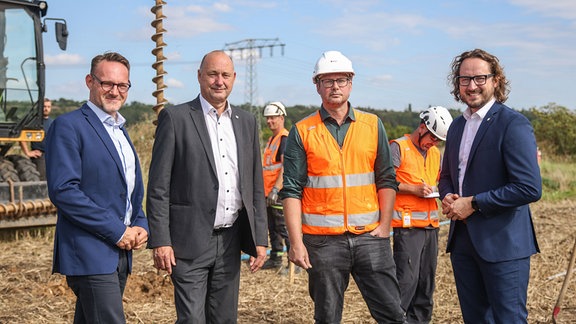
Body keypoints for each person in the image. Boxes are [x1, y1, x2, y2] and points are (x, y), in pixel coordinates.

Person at [280, 50, 406, 323]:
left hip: (371, 239)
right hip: (323, 243)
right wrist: (296, 243)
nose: (335, 86)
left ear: (350, 83)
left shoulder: (373, 125)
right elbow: (291, 190)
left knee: (393, 314)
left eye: (341, 80)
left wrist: (384, 226)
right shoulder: (302, 131)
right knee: (327, 317)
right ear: (317, 85)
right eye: (328, 80)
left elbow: (386, 178)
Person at [146, 50, 268, 323]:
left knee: (224, 318)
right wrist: (161, 240)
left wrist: (260, 238)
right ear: (200, 76)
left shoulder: (247, 122)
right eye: (212, 74)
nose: (219, 81)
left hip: (230, 241)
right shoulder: (176, 118)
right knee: (191, 319)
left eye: (225, 75)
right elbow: (158, 187)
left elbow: (255, 186)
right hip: (188, 241)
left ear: (234, 78)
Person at [439, 48, 542, 323]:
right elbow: (447, 174)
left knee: (508, 319)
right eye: (464, 79)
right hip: (462, 242)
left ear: (496, 80)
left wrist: (472, 203)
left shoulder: (513, 124)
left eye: (480, 78)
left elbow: (529, 187)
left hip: (503, 244)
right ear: (457, 84)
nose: (471, 86)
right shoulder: (457, 126)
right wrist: (447, 195)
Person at [45, 52, 149, 323]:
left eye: (122, 85)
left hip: (120, 253)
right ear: (90, 81)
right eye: (107, 83)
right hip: (90, 252)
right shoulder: (68, 126)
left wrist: (141, 224)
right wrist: (117, 231)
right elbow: (64, 190)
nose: (115, 91)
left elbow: (128, 191)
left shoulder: (120, 130)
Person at [390, 106, 453, 323]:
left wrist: (445, 196)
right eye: (432, 138)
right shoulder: (398, 147)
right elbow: (385, 181)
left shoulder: (435, 154)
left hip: (430, 226)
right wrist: (413, 189)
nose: (434, 143)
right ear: (422, 127)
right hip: (407, 227)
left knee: (426, 284)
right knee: (406, 281)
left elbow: (439, 181)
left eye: (438, 140)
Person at [261, 101, 291, 271]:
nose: (269, 121)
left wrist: (275, 189)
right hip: (268, 191)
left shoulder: (284, 139)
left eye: (272, 118)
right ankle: (276, 258)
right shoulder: (272, 139)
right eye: (267, 118)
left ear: (281, 117)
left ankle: (293, 262)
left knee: (283, 227)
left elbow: (285, 167)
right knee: (272, 227)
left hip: (277, 192)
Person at [20, 97, 53, 180]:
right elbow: (21, 136)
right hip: (39, 156)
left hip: (52, 156)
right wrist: (27, 152)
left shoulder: (53, 122)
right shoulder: (34, 122)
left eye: (48, 107)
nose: (46, 109)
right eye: (44, 106)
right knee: (41, 182)